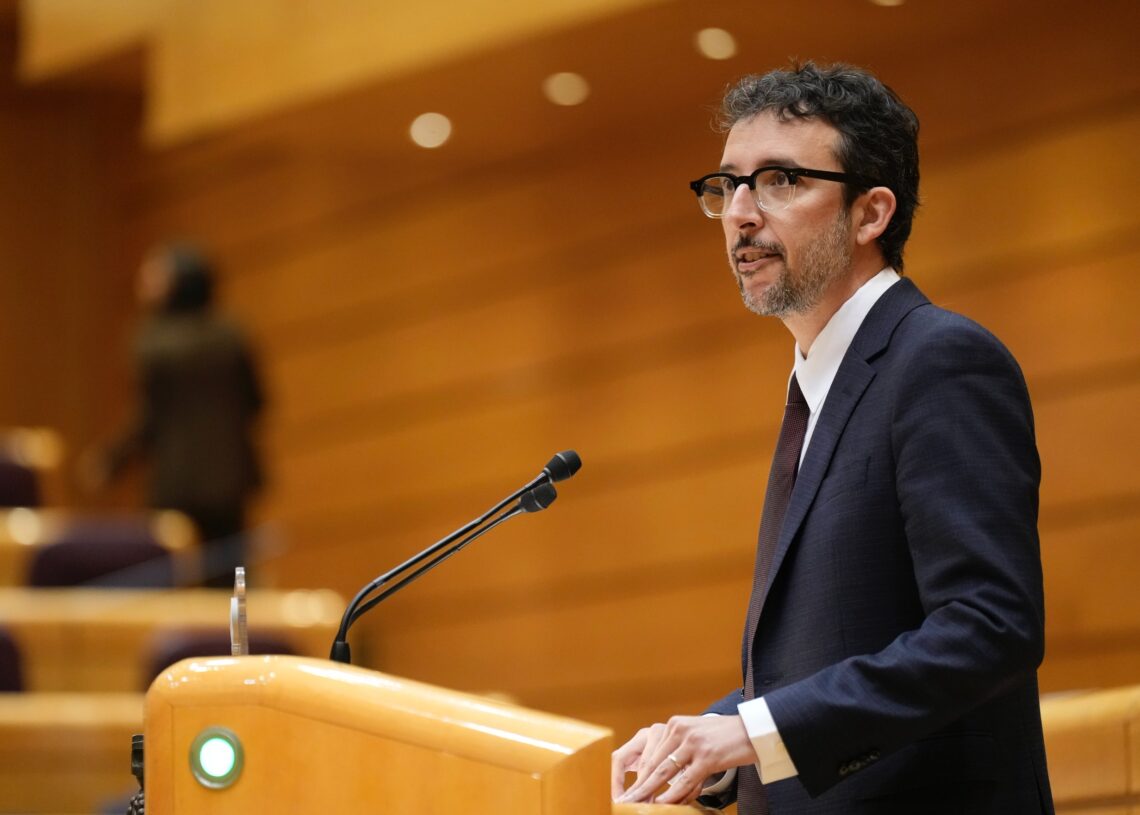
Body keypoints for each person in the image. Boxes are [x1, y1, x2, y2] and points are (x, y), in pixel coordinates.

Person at [611, 63, 1053, 814]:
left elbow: (989, 627)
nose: (741, 214)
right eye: (727, 186)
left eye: (780, 180)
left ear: (870, 213)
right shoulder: (819, 387)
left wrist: (754, 728)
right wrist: (710, 740)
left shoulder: (937, 359)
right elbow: (830, 653)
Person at [89, 243, 266, 588]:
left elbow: (148, 421)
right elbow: (258, 402)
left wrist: (111, 461)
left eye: (155, 275)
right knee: (231, 582)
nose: (144, 282)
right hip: (229, 481)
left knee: (172, 581)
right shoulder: (233, 335)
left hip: (175, 484)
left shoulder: (152, 342)